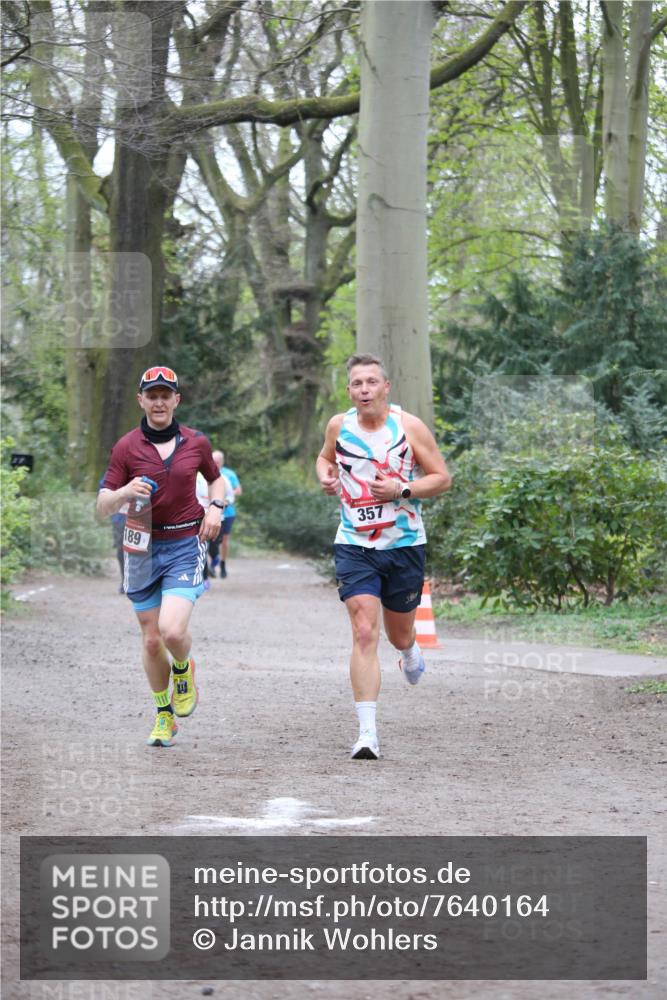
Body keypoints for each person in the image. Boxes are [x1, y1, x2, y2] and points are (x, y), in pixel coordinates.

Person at [316, 353, 452, 760]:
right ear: (349, 390)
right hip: (355, 543)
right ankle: (366, 734)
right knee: (363, 631)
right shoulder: (339, 426)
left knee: (398, 634)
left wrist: (401, 490)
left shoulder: (408, 427)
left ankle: (409, 651)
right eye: (357, 384)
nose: (364, 390)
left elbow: (442, 478)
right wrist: (323, 474)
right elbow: (325, 456)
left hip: (403, 545)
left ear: (386, 387)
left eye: (371, 382)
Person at [97, 366, 227, 748]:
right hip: (141, 547)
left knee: (172, 630)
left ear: (176, 400)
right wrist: (123, 493)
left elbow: (215, 478)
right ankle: (164, 715)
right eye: (151, 395)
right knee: (152, 641)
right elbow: (103, 504)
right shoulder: (126, 447)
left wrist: (216, 507)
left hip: (185, 543)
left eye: (165, 395)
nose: (158, 401)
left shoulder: (196, 442)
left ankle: (183, 671)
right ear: (141, 400)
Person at [208, 449, 242, 579]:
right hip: (211, 513)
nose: (215, 464)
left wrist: (224, 497)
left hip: (227, 513)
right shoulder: (206, 472)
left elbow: (238, 490)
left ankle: (222, 564)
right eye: (213, 461)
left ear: (221, 462)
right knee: (211, 540)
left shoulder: (229, 474)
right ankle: (211, 566)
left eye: (217, 462)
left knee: (224, 541)